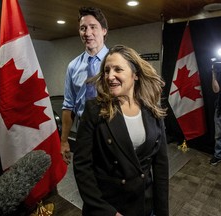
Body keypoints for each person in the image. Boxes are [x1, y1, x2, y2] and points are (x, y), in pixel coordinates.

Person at [73, 45, 169, 216]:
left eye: (118, 69)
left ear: (135, 74)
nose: (110, 77)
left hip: (144, 205)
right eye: (107, 70)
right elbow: (82, 167)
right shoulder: (94, 110)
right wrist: (107, 212)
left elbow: (160, 166)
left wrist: (162, 211)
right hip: (108, 206)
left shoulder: (153, 110)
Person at [60, 7, 109, 164]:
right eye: (83, 28)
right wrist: (64, 140)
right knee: (85, 172)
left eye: (93, 27)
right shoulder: (73, 66)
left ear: (104, 30)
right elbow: (69, 106)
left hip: (111, 127)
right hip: (84, 130)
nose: (87, 33)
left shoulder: (117, 61)